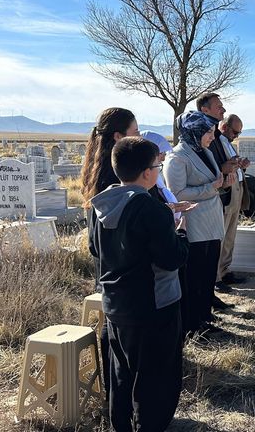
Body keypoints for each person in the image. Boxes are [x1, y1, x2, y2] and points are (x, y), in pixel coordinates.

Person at [89, 136, 189, 432]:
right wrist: (179, 232)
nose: (159, 170)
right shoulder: (152, 209)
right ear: (147, 172)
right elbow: (172, 259)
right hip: (155, 306)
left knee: (121, 374)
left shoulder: (101, 204)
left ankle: (121, 425)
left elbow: (96, 250)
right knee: (157, 379)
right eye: (158, 165)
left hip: (116, 305)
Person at [81, 107, 138, 399]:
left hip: (109, 267)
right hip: (118, 269)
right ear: (118, 137)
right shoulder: (112, 182)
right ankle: (117, 397)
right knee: (114, 331)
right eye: (135, 132)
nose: (139, 137)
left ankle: (117, 394)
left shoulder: (102, 171)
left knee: (113, 326)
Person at [164, 110, 234, 335]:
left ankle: (204, 315)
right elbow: (177, 193)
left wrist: (224, 183)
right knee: (194, 277)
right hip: (193, 224)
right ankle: (192, 324)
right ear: (193, 131)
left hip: (211, 223)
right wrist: (211, 188)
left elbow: (213, 183)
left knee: (207, 275)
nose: (212, 137)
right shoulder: (177, 157)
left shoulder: (205, 152)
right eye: (208, 132)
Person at [214, 114, 250, 289]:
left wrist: (240, 163)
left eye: (239, 133)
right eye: (235, 132)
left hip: (237, 188)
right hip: (226, 190)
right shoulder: (215, 142)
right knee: (222, 234)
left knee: (230, 235)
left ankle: (225, 270)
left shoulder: (228, 143)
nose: (237, 136)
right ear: (224, 127)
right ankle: (216, 277)